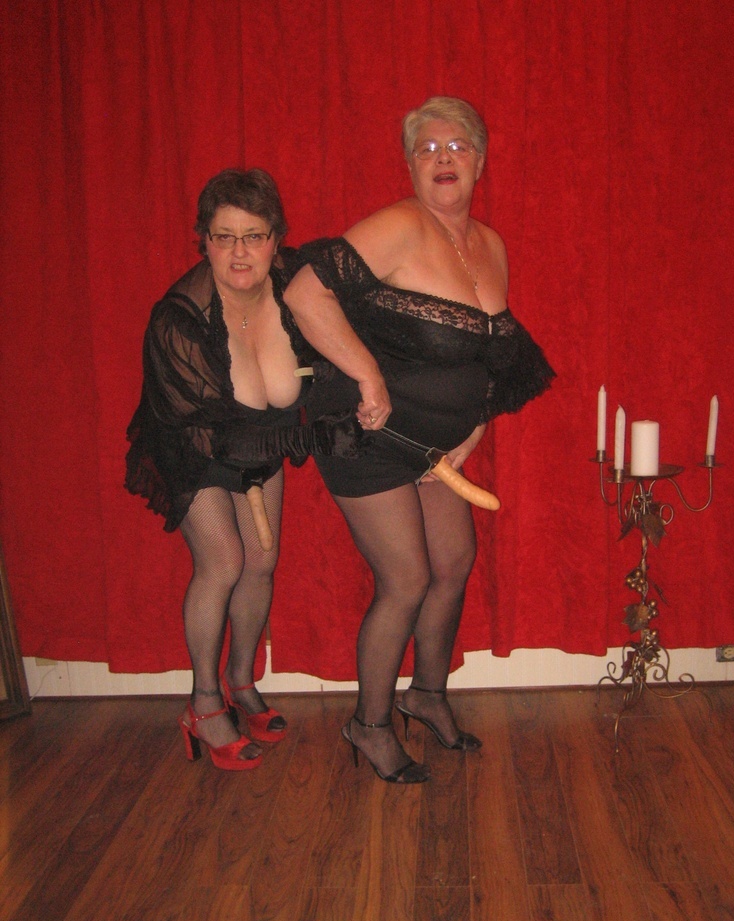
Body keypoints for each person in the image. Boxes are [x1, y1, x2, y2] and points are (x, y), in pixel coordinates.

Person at [284, 97, 554, 784]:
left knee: (453, 563)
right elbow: (305, 294)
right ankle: (369, 725)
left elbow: (493, 358)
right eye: (427, 148)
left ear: (480, 161)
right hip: (366, 431)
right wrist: (367, 373)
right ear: (408, 165)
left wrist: (474, 428)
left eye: (456, 146)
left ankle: (427, 695)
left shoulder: (491, 245)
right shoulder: (400, 227)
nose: (443, 158)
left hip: (436, 449)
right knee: (405, 578)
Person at [126, 168, 360, 770]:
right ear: (203, 240)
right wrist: (310, 435)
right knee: (225, 561)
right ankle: (203, 705)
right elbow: (205, 430)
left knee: (262, 560)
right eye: (223, 236)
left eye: (253, 236)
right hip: (192, 442)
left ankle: (240, 680)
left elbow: (332, 355)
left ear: (276, 240)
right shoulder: (179, 320)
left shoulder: (295, 290)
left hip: (261, 439)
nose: (238, 252)